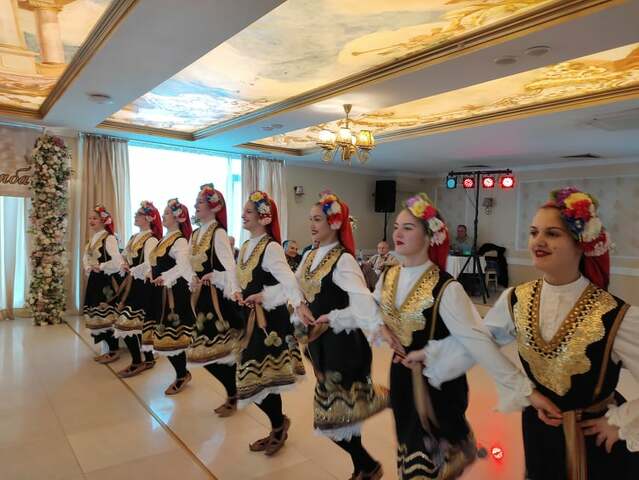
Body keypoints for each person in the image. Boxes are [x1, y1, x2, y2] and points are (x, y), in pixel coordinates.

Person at [424, 187, 639, 479]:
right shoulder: (516, 299)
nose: (538, 241)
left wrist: (621, 422)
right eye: (534, 232)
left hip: (598, 441)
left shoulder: (615, 314)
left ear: (581, 244)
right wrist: (430, 356)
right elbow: (479, 342)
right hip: (540, 432)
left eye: (552, 234)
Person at [375, 193, 546, 480]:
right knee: (408, 449)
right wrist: (380, 327)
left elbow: (479, 342)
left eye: (408, 228)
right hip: (401, 376)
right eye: (396, 227)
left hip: (437, 384)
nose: (397, 234)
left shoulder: (446, 288)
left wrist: (523, 389)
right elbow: (371, 305)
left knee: (426, 463)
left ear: (429, 236)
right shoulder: (389, 275)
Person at [293, 192, 388, 480]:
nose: (312, 225)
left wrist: (336, 317)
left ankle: (367, 464)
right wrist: (298, 304)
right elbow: (294, 285)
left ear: (334, 223)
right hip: (321, 345)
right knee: (340, 416)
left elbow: (364, 304)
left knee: (333, 418)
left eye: (317, 219)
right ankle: (365, 467)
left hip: (344, 346)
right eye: (310, 219)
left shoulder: (343, 260)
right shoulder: (309, 255)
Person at [235, 191, 306, 456]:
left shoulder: (271, 247)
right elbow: (241, 277)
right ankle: (278, 424)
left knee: (259, 380)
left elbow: (289, 282)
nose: (243, 215)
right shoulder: (246, 245)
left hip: (269, 323)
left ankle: (278, 427)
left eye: (249, 212)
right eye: (244, 211)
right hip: (251, 319)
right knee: (257, 380)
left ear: (263, 217)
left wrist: (264, 296)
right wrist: (236, 291)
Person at [187, 184, 244, 417]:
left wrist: (216, 278)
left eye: (200, 202)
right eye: (197, 202)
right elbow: (190, 263)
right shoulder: (195, 234)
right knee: (204, 354)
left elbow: (230, 267)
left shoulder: (218, 232)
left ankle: (233, 392)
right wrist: (193, 278)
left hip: (217, 299)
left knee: (215, 353)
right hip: (202, 298)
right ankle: (234, 390)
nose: (196, 205)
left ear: (213, 207)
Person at [148, 198, 196, 395]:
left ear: (178, 218)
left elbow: (184, 265)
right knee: (164, 337)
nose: (163, 215)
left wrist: (165, 276)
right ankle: (182, 373)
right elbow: (155, 262)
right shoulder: (164, 239)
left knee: (171, 336)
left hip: (173, 293)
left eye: (167, 213)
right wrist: (144, 271)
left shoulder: (180, 240)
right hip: (161, 291)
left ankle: (182, 374)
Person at [113, 201, 162, 377]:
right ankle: (145, 359)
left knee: (129, 324)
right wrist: (123, 264)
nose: (135, 216)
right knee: (133, 325)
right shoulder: (134, 237)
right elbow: (124, 255)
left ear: (148, 218)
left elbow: (150, 263)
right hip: (133, 284)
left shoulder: (151, 239)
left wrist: (133, 269)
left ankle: (139, 361)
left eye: (139, 214)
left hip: (144, 286)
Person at [82, 204, 123, 364]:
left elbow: (117, 261)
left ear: (103, 220)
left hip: (106, 281)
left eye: (95, 218)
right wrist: (88, 267)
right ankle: (108, 349)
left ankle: (113, 350)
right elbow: (86, 257)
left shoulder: (110, 237)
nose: (91, 221)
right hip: (95, 280)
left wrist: (101, 266)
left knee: (107, 316)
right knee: (97, 316)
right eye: (90, 218)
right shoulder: (92, 239)